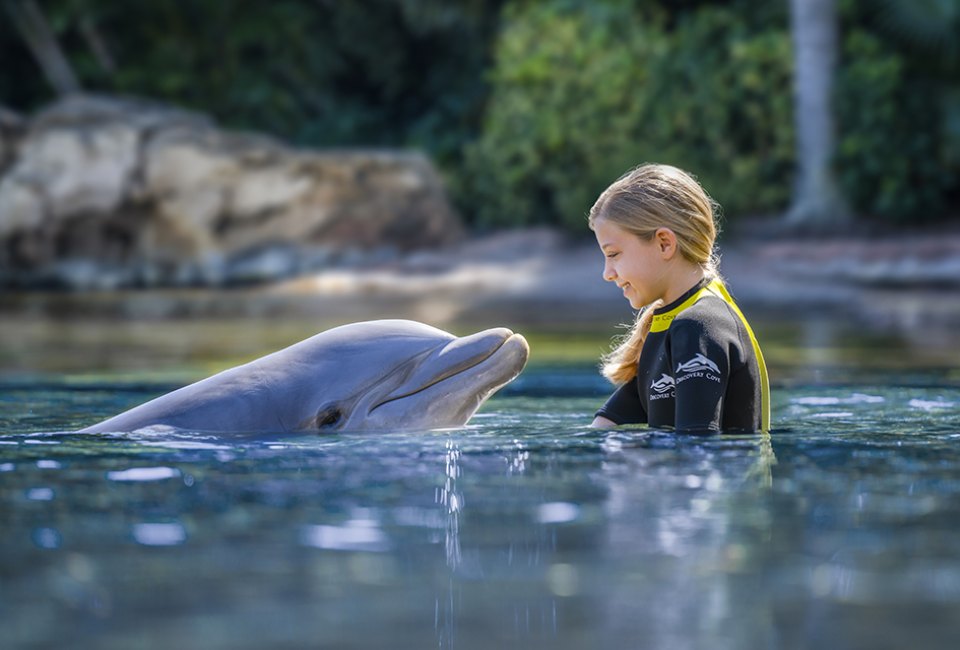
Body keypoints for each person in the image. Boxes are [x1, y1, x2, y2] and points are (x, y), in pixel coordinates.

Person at [589, 163, 770, 434]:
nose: (607, 273)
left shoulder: (699, 325)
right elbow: (603, 428)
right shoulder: (669, 323)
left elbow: (695, 451)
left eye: (613, 254)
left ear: (664, 243)